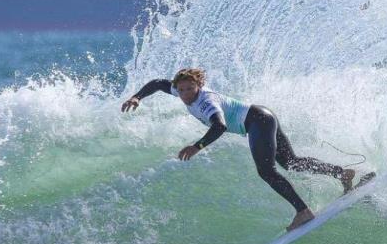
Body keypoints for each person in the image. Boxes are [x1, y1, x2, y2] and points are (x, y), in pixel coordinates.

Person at [121, 68, 358, 231]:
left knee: (266, 171)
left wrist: (197, 146)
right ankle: (342, 173)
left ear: (198, 86)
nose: (185, 94)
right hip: (263, 116)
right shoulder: (180, 91)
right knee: (292, 163)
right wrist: (137, 96)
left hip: (258, 122)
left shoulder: (206, 102)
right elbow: (158, 84)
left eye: (190, 89)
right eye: (181, 90)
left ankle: (303, 211)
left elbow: (220, 126)